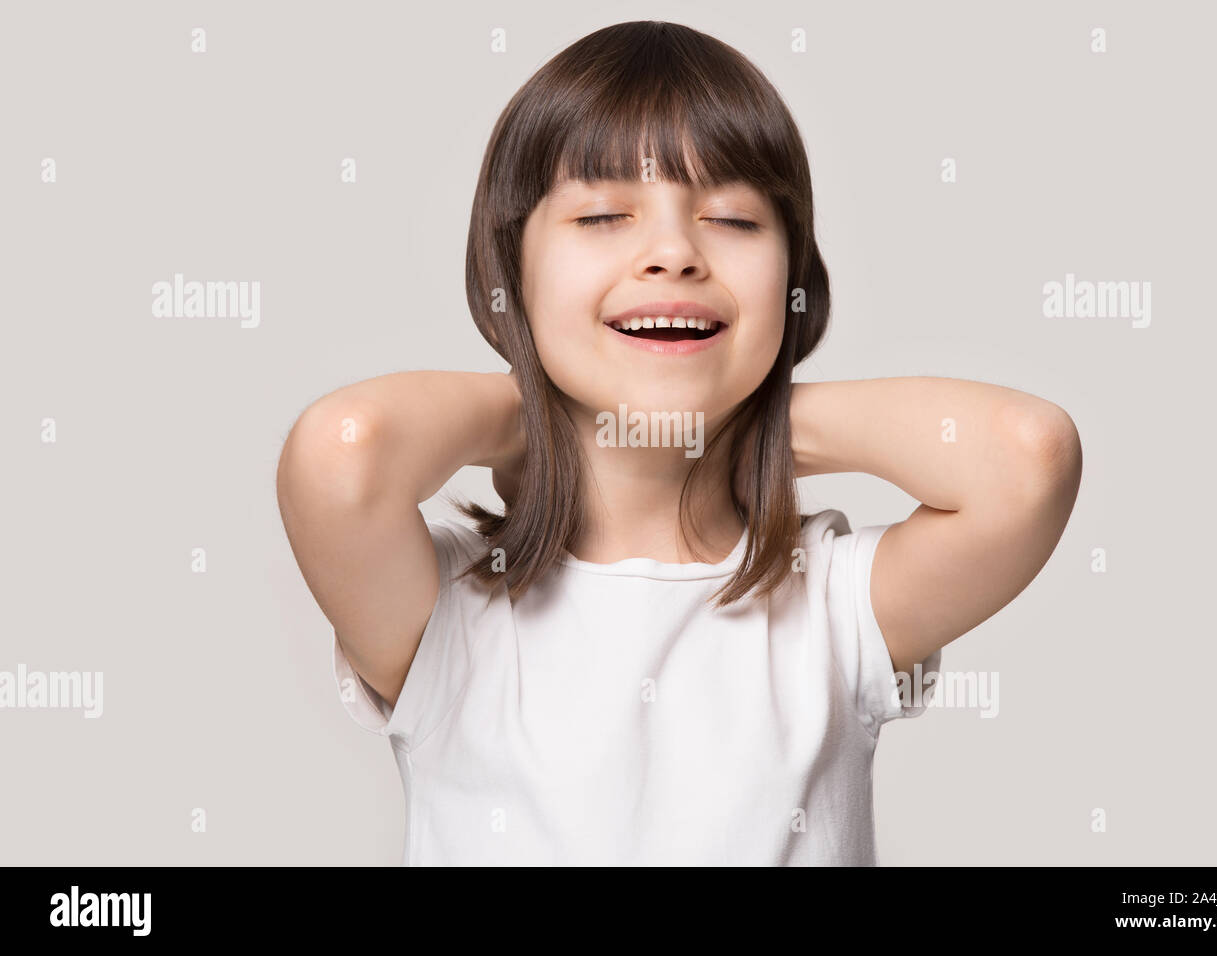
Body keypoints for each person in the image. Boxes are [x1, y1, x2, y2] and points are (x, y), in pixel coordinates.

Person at [276, 20, 1082, 865]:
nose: (672, 253)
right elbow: (344, 449)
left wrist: (744, 420)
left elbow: (1029, 456)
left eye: (732, 218)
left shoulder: (833, 607)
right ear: (511, 275)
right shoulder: (450, 613)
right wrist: (544, 417)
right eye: (601, 215)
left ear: (793, 280)